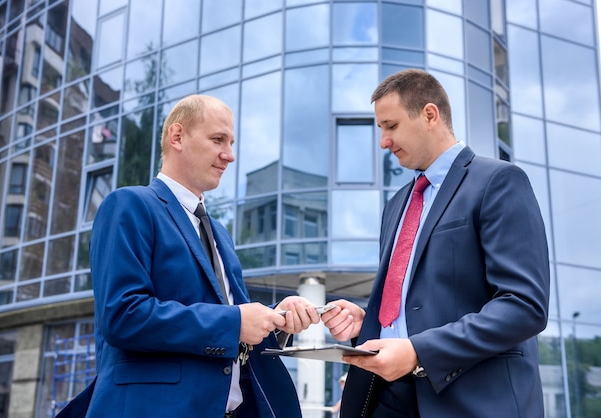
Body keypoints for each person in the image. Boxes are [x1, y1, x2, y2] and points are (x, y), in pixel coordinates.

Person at [321, 69, 550, 417]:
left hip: (469, 400)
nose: (383, 141)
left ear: (430, 114)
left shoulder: (499, 181)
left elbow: (524, 305)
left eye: (391, 126)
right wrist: (370, 323)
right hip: (385, 398)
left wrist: (418, 350)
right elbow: (421, 306)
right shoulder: (397, 204)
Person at [83, 94, 321, 417]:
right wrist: (236, 321)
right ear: (177, 136)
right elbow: (123, 315)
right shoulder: (129, 206)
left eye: (232, 142)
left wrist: (277, 318)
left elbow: (230, 325)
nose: (230, 155)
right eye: (218, 140)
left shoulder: (220, 234)